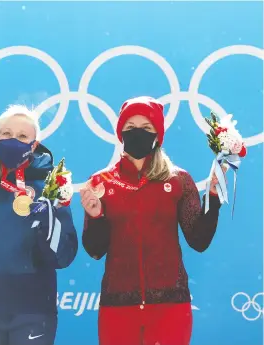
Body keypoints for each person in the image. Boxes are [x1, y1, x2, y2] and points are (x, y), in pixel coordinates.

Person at [80, 96, 225, 345]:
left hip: (170, 307)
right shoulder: (100, 182)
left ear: (158, 134)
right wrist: (96, 216)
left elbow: (198, 240)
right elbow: (95, 250)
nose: (138, 133)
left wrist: (212, 197)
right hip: (118, 307)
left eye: (146, 128)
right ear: (120, 133)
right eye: (130, 127)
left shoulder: (179, 180)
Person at [0, 105, 78, 345]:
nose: (13, 140)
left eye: (23, 136)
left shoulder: (51, 184)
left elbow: (64, 256)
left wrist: (47, 220)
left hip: (33, 308)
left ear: (34, 145)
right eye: (6, 134)